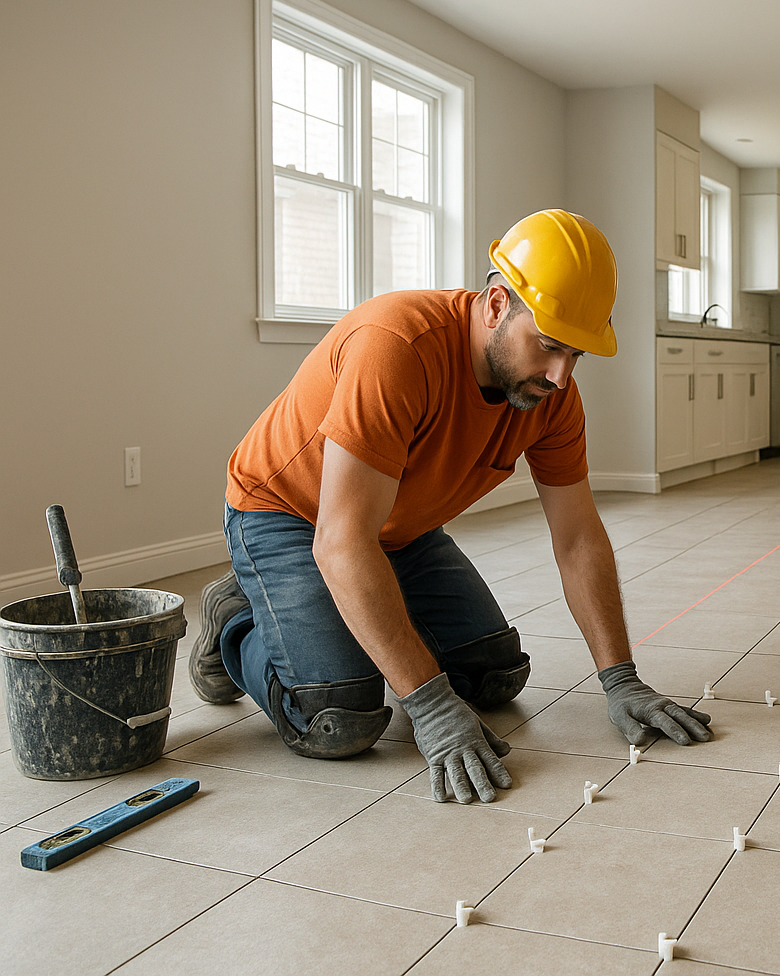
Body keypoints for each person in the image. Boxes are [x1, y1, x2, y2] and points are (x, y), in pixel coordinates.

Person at [189, 209, 711, 804]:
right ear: (495, 304)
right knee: (339, 719)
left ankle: (356, 607)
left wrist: (620, 679)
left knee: (494, 677)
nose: (561, 376)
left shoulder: (550, 397)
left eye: (577, 356)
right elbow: (341, 541)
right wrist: (430, 705)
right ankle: (234, 618)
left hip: (398, 529)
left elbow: (578, 538)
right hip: (289, 514)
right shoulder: (396, 348)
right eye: (548, 346)